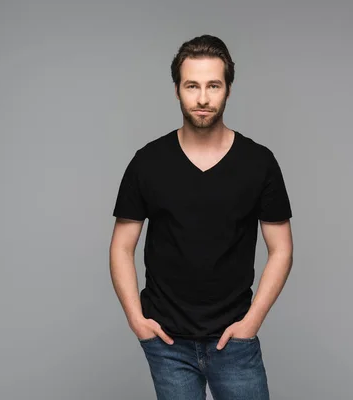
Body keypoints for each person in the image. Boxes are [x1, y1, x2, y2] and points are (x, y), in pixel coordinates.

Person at [109, 34, 294, 400]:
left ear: (228, 89)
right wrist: (136, 319)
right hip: (167, 341)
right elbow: (121, 246)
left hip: (234, 341)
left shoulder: (259, 163)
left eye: (214, 85)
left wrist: (252, 322)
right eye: (192, 85)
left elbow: (282, 249)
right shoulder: (147, 162)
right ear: (177, 89)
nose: (203, 98)